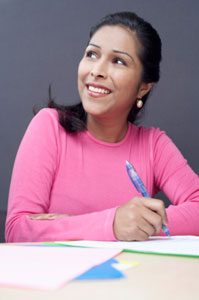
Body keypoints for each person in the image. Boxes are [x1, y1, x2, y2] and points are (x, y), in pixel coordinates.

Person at [5, 11, 199, 243]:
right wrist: (112, 224)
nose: (96, 70)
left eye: (118, 61)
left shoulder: (153, 145)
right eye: (92, 54)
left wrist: (137, 224)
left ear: (143, 88)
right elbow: (18, 231)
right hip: (60, 279)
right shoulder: (50, 127)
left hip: (135, 278)